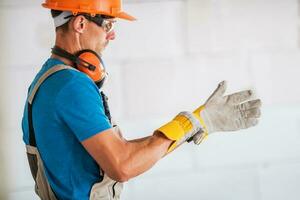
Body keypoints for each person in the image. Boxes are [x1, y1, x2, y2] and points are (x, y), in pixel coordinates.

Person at [21, 0, 262, 199]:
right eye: (108, 24)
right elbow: (123, 165)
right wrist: (192, 121)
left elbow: (127, 155)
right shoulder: (72, 86)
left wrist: (197, 124)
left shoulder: (47, 79)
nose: (112, 35)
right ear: (81, 23)